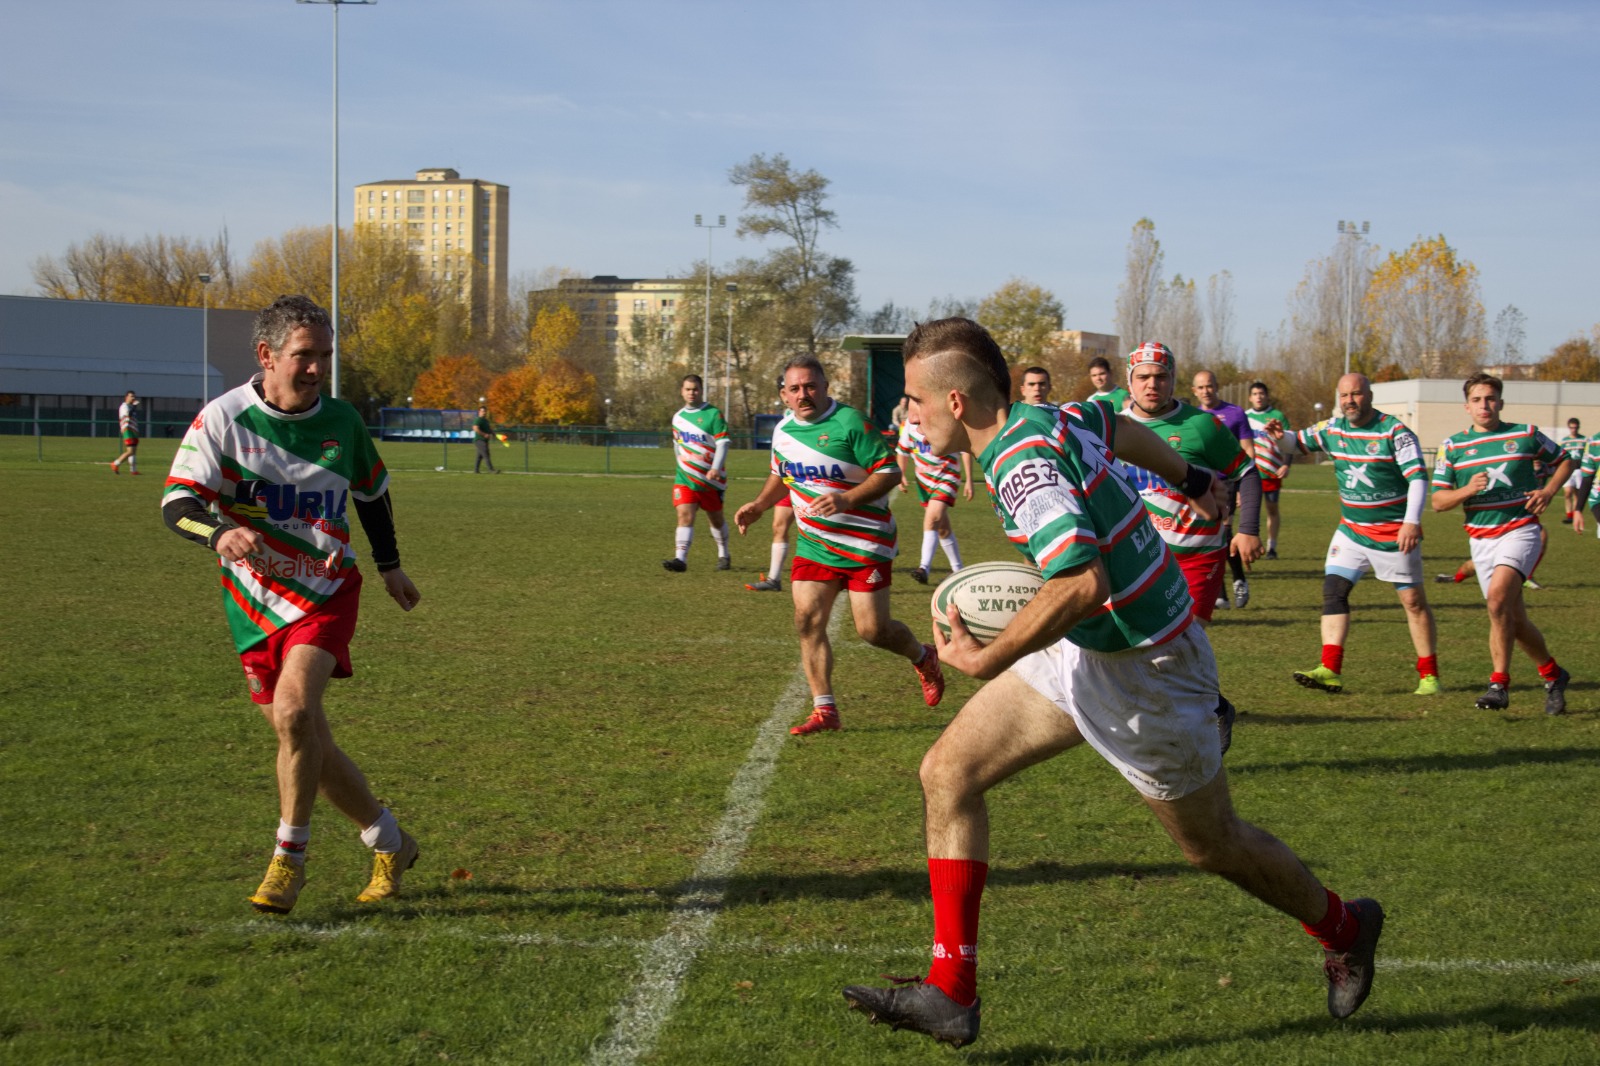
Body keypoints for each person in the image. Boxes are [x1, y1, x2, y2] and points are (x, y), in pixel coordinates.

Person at [842, 318, 1383, 1048]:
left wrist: (986, 656)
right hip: (1087, 653)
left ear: (958, 403)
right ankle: (951, 992)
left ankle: (1345, 926)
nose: (909, 417)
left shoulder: (1021, 464)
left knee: (1211, 845)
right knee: (948, 772)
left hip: (1148, 676)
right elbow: (1119, 428)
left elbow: (1081, 581)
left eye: (914, 401)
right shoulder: (1052, 416)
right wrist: (1191, 478)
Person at [162, 295, 423, 914]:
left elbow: (372, 495)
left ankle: (289, 860)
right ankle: (391, 841)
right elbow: (177, 504)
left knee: (297, 712)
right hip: (252, 605)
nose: (316, 369)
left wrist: (389, 566)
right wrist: (218, 533)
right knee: (302, 738)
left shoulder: (343, 422)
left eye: (325, 356)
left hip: (326, 590)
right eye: (304, 356)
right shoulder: (224, 419)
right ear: (266, 355)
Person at [733, 355, 945, 735]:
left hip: (866, 543)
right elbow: (780, 474)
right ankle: (824, 710)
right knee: (807, 620)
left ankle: (923, 656)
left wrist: (847, 499)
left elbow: (889, 471)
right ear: (784, 394)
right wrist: (760, 505)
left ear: (826, 386)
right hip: (815, 544)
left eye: (811, 386)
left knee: (873, 631)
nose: (804, 394)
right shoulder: (783, 432)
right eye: (795, 388)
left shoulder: (850, 423)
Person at [1264, 374, 1440, 696]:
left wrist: (1411, 522)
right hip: (1352, 530)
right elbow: (1296, 442)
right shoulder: (1332, 429)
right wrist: (1280, 437)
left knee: (1413, 602)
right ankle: (1330, 669)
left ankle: (1429, 676)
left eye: (1356, 394)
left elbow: (1417, 477)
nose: (1350, 401)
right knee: (1334, 591)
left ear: (1369, 395)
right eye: (1344, 395)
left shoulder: (1395, 432)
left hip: (1393, 532)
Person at [1431, 372, 1573, 714]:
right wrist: (1467, 490)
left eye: (1491, 399)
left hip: (1520, 530)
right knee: (1514, 620)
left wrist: (1550, 491)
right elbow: (1437, 501)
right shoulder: (1451, 446)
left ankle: (1499, 685)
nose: (1485, 405)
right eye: (1477, 400)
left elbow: (1566, 460)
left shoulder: (1525, 434)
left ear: (1501, 403)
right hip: (1481, 541)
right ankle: (1554, 676)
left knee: (1496, 603)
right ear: (1467, 407)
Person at [1122, 344, 1262, 626]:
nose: (1152, 384)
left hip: (1197, 558)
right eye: (1143, 377)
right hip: (1138, 558)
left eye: (1161, 376)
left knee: (1185, 644)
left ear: (1172, 379)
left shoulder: (1202, 425)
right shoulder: (1115, 428)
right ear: (1130, 381)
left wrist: (1247, 530)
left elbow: (1247, 473)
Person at [1192, 369, 1257, 608]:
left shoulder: (1235, 413)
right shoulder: (1192, 416)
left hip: (1227, 482)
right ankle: (1219, 594)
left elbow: (1248, 451)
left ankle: (1239, 580)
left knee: (1224, 533)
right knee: (1209, 536)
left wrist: (1243, 487)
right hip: (1201, 484)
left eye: (1209, 386)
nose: (1205, 391)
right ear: (1194, 391)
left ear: (1217, 386)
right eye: (1200, 387)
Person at [663, 374, 732, 573]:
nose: (691, 393)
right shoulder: (678, 417)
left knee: (716, 520)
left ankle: (723, 553)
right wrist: (681, 464)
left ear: (701, 390)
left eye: (695, 389)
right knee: (684, 515)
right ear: (682, 391)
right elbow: (677, 445)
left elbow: (723, 443)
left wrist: (716, 468)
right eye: (687, 389)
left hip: (711, 480)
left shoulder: (713, 414)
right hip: (685, 477)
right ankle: (680, 559)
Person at [896, 410, 972, 583]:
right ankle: (959, 571)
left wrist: (969, 480)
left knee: (931, 519)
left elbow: (965, 449)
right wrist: (900, 474)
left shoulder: (944, 418)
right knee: (942, 528)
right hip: (924, 482)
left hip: (947, 476)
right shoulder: (910, 424)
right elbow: (902, 450)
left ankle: (924, 568)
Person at [747, 376, 796, 593]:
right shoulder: (784, 424)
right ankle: (774, 579)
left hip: (818, 485)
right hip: (789, 482)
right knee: (779, 526)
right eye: (785, 390)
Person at [1245, 381, 1291, 558]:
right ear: (1250, 397)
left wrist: (1286, 464)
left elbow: (1288, 441)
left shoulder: (1277, 415)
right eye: (1255, 394)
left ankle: (1272, 547)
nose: (1258, 397)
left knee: (1272, 509)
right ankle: (1252, 545)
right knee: (1251, 511)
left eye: (1261, 393)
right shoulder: (1245, 416)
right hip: (1250, 472)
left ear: (1267, 396)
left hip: (1272, 471)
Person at [1560, 418, 1586, 523]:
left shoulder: (1584, 440)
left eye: (1575, 428)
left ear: (1578, 427)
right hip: (1569, 469)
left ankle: (1574, 515)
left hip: (1579, 470)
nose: (1573, 430)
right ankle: (1569, 515)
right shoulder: (1564, 441)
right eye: (1571, 428)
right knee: (1567, 492)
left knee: (1577, 494)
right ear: (1569, 428)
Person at [111, 390, 141, 475]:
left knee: (134, 451)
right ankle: (115, 463)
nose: (133, 398)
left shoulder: (130, 406)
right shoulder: (124, 407)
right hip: (127, 430)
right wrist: (134, 406)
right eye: (131, 396)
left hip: (133, 430)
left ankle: (133, 470)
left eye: (134, 396)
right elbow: (128, 415)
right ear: (126, 397)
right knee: (130, 451)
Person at [472, 405, 501, 474]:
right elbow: (475, 428)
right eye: (482, 411)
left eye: (485, 411)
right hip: (479, 440)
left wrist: (494, 434)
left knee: (480, 456)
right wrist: (484, 434)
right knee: (486, 454)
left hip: (484, 440)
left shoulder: (485, 421)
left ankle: (476, 470)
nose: (484, 413)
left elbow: (489, 429)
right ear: (479, 412)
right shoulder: (478, 420)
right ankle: (491, 470)